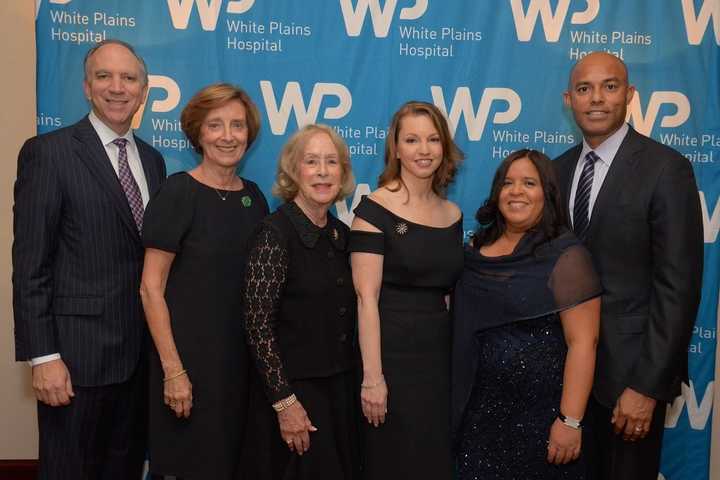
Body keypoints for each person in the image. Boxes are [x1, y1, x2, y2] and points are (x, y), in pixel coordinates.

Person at [12, 39, 166, 479]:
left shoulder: (153, 162)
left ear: (144, 89)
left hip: (138, 361)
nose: (117, 88)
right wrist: (44, 358)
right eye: (104, 76)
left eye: (129, 78)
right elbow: (30, 267)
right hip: (75, 364)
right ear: (85, 86)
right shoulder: (49, 153)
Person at [554, 52, 704, 480]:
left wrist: (647, 386)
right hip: (562, 383)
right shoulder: (556, 170)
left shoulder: (666, 169)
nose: (596, 98)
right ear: (569, 100)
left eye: (610, 86)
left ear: (630, 95)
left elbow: (678, 288)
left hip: (629, 383)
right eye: (584, 89)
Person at [139, 83, 269, 479]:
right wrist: (173, 371)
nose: (228, 136)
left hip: (242, 370)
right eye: (216, 125)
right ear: (197, 133)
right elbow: (150, 288)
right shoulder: (179, 192)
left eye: (237, 125)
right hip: (189, 369)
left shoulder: (255, 198)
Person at [453, 149, 602, 479]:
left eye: (529, 183)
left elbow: (583, 343)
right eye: (508, 182)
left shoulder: (566, 256)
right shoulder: (474, 251)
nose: (516, 191)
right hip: (479, 417)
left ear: (547, 194)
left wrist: (570, 420)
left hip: (542, 420)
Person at [349, 100, 464, 479]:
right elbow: (366, 300)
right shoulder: (373, 210)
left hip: (439, 364)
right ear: (395, 148)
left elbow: (448, 292)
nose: (424, 149)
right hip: (390, 361)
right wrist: (373, 378)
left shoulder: (453, 214)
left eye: (433, 140)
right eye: (412, 140)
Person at [241, 124, 359, 480]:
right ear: (293, 171)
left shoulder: (340, 234)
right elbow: (257, 325)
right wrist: (285, 403)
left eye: (331, 162)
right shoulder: (274, 234)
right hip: (295, 396)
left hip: (339, 391)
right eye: (311, 162)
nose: (323, 172)